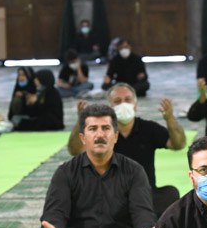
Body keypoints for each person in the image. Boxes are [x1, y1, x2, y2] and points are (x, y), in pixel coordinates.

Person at [41, 104, 156, 228]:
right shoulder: (66, 172)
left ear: (115, 136)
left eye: (106, 128)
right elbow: (55, 212)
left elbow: (142, 212)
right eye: (93, 129)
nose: (100, 134)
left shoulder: (134, 171)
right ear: (82, 138)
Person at [68, 84, 185, 216]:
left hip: (145, 195)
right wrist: (81, 123)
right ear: (110, 108)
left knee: (170, 194)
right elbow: (75, 150)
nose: (123, 104)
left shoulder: (148, 128)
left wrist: (170, 119)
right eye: (117, 101)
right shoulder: (102, 132)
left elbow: (179, 144)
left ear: (135, 105)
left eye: (128, 100)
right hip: (111, 196)